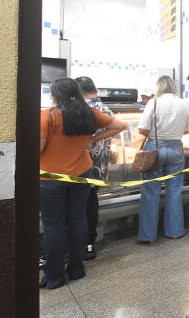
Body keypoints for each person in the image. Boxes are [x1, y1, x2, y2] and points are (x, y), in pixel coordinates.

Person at [40, 78, 126, 289]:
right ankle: (77, 269)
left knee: (54, 226)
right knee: (78, 219)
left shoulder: (47, 116)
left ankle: (54, 276)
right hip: (81, 174)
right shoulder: (90, 114)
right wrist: (92, 140)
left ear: (55, 96)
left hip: (50, 178)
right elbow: (120, 125)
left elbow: (38, 149)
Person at [137, 75, 189, 243]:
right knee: (175, 191)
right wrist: (173, 134)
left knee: (151, 191)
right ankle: (175, 232)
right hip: (176, 149)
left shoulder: (153, 102)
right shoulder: (184, 103)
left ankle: (148, 236)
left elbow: (142, 129)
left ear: (159, 87)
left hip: (154, 149)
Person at [75, 76, 115, 261]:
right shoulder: (107, 109)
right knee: (91, 205)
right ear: (96, 90)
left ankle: (78, 245)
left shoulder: (79, 110)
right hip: (100, 169)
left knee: (77, 208)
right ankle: (89, 245)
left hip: (80, 169)